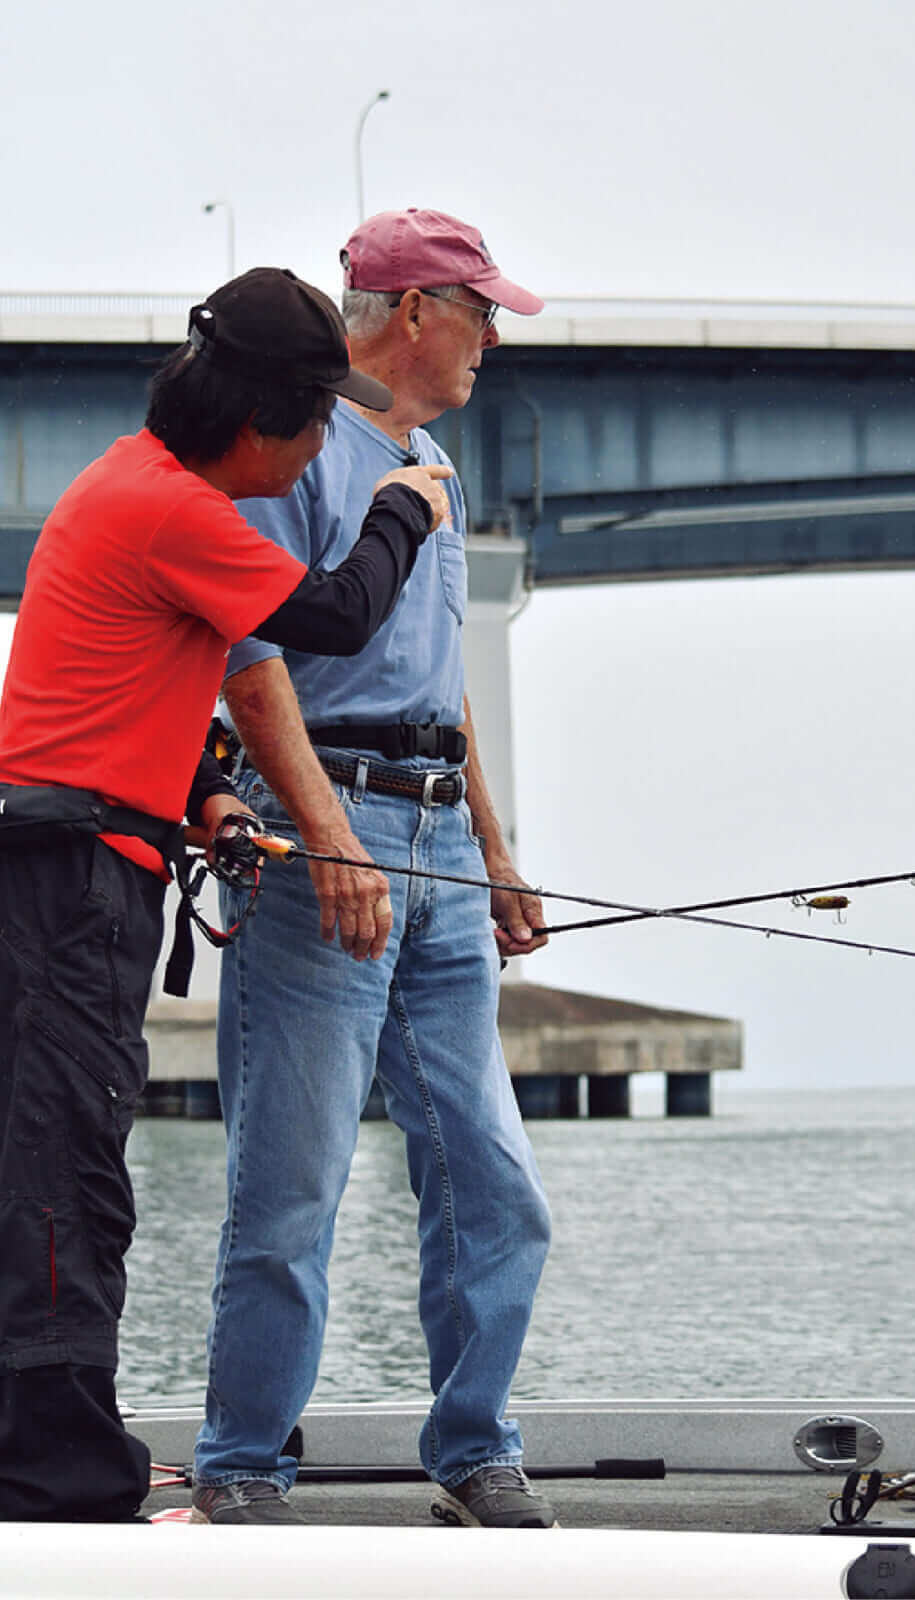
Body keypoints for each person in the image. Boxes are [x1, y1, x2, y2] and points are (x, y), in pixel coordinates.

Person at [0, 265, 452, 1522]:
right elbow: (335, 616)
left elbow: (113, 684)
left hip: (74, 865)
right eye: (318, 424)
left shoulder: (134, 486)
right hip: (69, 887)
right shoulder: (172, 507)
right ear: (262, 422)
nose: (322, 450)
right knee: (65, 1170)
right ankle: (54, 1480)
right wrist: (400, 509)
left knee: (51, 1154)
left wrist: (207, 793)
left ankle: (48, 1448)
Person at [193, 210, 556, 1529]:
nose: (493, 339)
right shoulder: (295, 447)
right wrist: (332, 841)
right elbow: (251, 667)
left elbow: (442, 685)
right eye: (483, 311)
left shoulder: (436, 462)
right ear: (414, 311)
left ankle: (474, 1448)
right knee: (292, 1183)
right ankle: (242, 1463)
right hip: (317, 838)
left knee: (493, 1181)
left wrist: (497, 854)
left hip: (442, 843)